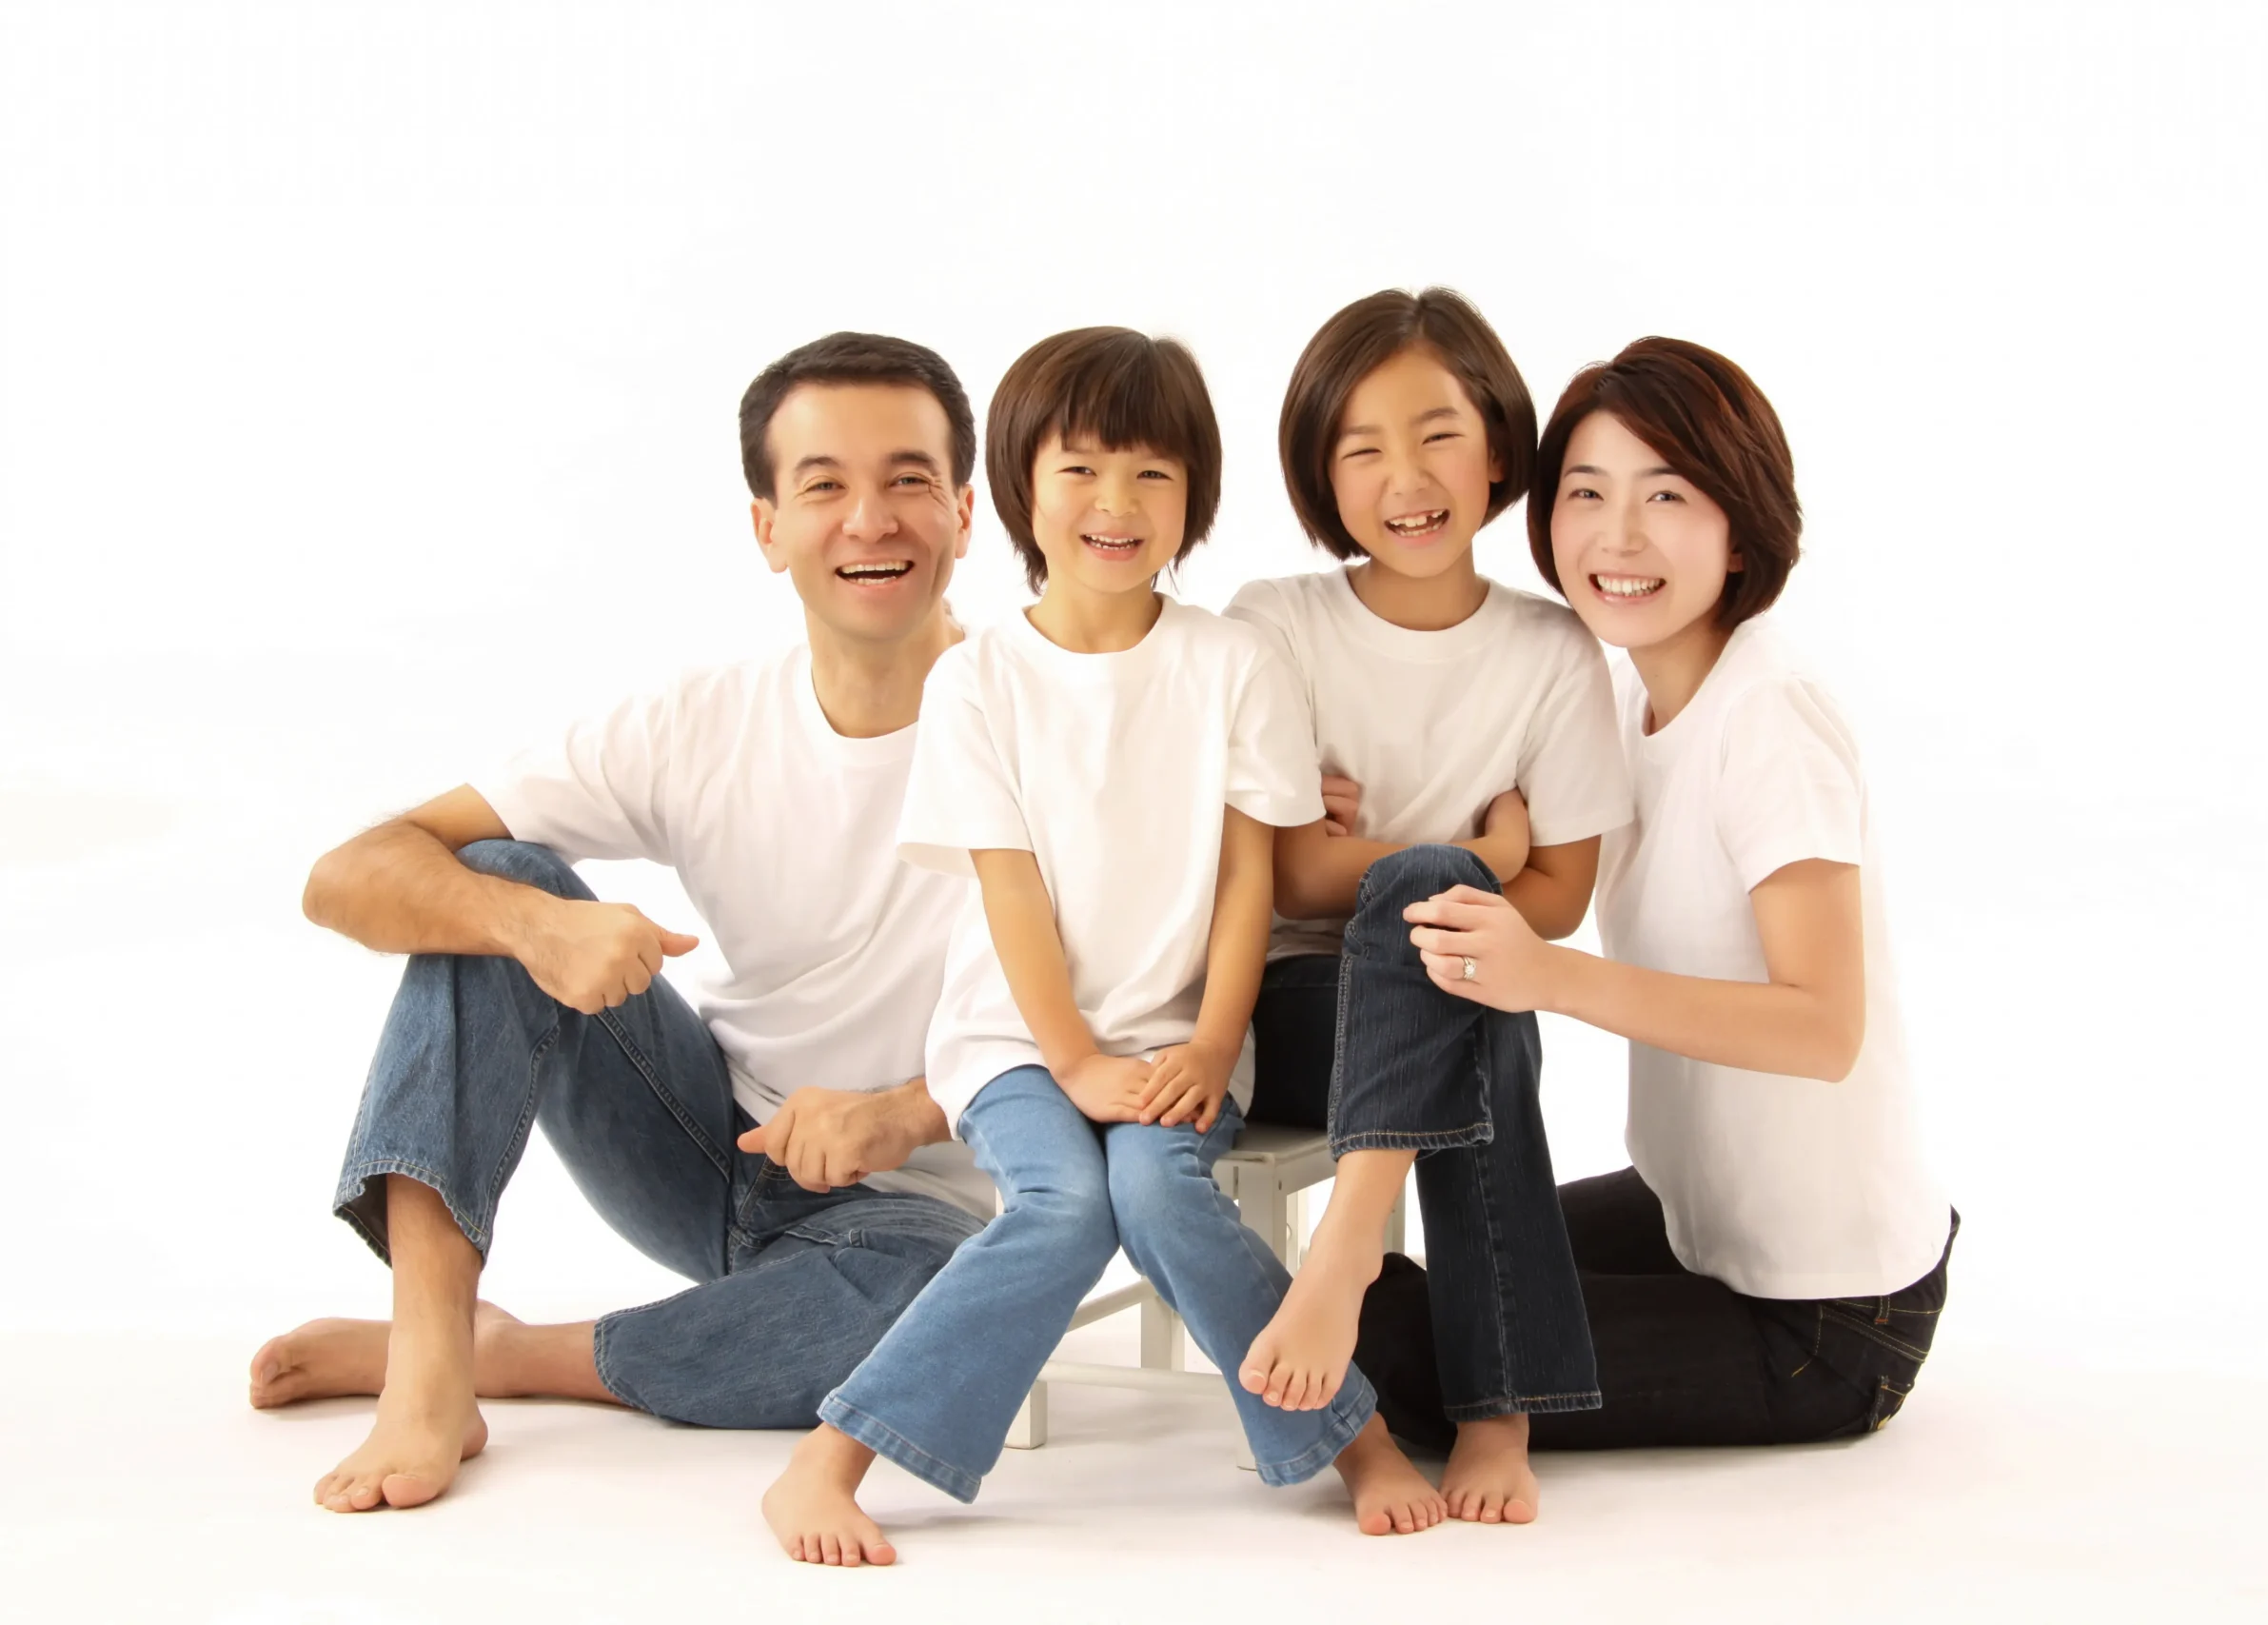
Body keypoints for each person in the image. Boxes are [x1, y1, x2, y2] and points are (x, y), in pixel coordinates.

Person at [249, 332, 998, 1516]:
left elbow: (1128, 1022)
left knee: (938, 1314)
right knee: (493, 880)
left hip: (914, 1210)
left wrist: (904, 1113)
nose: (870, 520)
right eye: (824, 486)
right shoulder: (700, 722)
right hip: (706, 1147)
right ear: (767, 528)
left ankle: (510, 1355)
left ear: (963, 510)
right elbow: (347, 875)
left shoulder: (1044, 725)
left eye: (908, 480)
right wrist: (532, 926)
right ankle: (430, 1353)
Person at [761, 327, 1446, 1568]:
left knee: (1157, 1189)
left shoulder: (1233, 662)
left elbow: (1248, 879)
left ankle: (1353, 1441)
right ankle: (832, 1454)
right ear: (1018, 490)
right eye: (1079, 469)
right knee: (1066, 1203)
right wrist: (1072, 1059)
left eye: (1151, 474)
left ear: (1193, 497)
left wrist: (1215, 1043)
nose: (1115, 503)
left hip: (1182, 1035)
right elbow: (1010, 890)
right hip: (1016, 1040)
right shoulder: (979, 681)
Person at [1370, 335, 1957, 1449]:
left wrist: (1550, 978)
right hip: (1691, 1215)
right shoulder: (1625, 700)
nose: (1619, 536)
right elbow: (1526, 853)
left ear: (1742, 525)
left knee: (1394, 1346)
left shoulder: (1768, 716)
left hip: (1823, 1311)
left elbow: (1823, 1029)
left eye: (1667, 495)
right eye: (1586, 493)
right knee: (1436, 1259)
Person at [1226, 288, 1633, 1525]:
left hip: (1457, 1002)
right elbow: (1291, 879)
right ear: (1321, 475)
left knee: (1474, 981)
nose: (1404, 478)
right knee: (1453, 927)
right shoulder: (1277, 623)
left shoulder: (1553, 651)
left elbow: (1560, 899)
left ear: (1498, 447)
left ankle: (1352, 1250)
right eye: (1361, 448)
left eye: (1437, 434)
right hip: (1298, 1009)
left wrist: (1408, 863)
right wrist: (1481, 851)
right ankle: (1493, 1406)